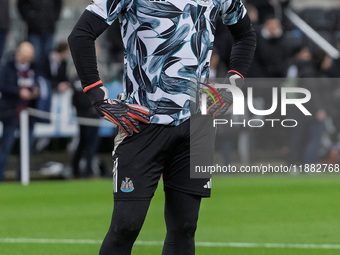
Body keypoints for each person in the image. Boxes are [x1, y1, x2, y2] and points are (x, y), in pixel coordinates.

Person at [68, 0, 256, 254]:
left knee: (185, 226)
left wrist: (233, 84)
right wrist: (97, 96)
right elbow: (80, 34)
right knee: (126, 227)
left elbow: (245, 34)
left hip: (196, 126)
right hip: (141, 123)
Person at [0, 42, 39, 181]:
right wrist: (19, 92)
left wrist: (35, 91)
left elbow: (37, 83)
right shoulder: (8, 66)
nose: (27, 59)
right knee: (6, 145)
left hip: (29, 113)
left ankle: (22, 176)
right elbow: (3, 85)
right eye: (25, 56)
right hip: (11, 112)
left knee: (27, 147)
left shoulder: (33, 68)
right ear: (19, 53)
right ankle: (1, 176)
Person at [17, 0, 62, 76]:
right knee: (34, 57)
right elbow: (21, 5)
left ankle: (45, 80)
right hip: (34, 30)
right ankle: (34, 78)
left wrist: (53, 18)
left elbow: (58, 4)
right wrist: (30, 17)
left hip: (49, 29)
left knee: (48, 57)